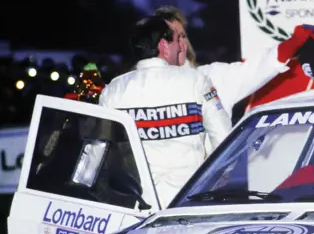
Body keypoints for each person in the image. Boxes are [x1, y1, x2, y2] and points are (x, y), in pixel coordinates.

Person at [98, 16, 232, 208]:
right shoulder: (196, 80)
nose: (180, 47)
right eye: (177, 40)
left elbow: (98, 154)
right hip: (190, 201)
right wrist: (216, 187)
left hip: (137, 207)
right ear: (163, 45)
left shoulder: (113, 90)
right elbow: (224, 140)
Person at [154, 6, 314, 120]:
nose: (178, 44)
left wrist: (296, 42)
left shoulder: (211, 78)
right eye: (169, 38)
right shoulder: (130, 88)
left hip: (204, 191)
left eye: (181, 36)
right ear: (156, 43)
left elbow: (262, 66)